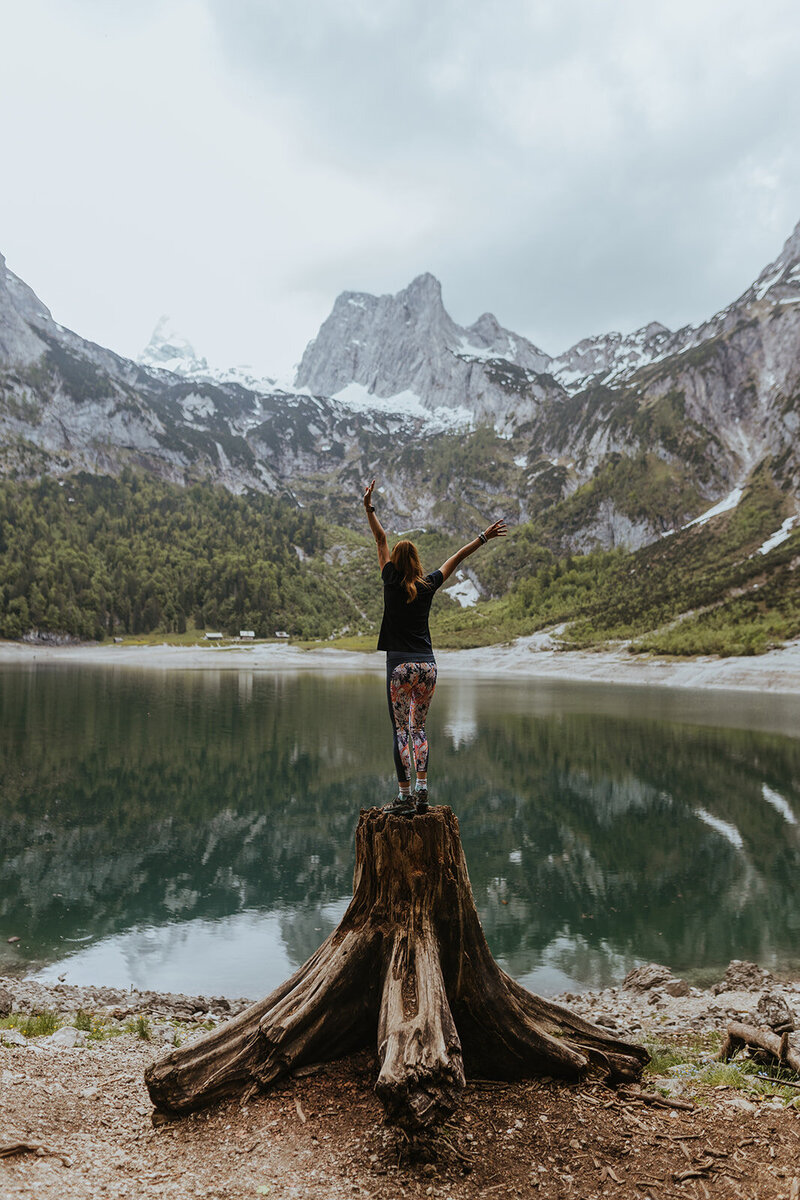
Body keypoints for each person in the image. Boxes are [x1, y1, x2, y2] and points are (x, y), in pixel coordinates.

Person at [363, 478, 507, 817]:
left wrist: (368, 507)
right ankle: (423, 792)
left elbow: (381, 538)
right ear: (415, 560)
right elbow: (455, 559)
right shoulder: (427, 585)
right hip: (427, 667)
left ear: (395, 562)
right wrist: (483, 537)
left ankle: (403, 797)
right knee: (419, 729)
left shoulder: (389, 579)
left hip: (399, 667)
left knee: (400, 729)